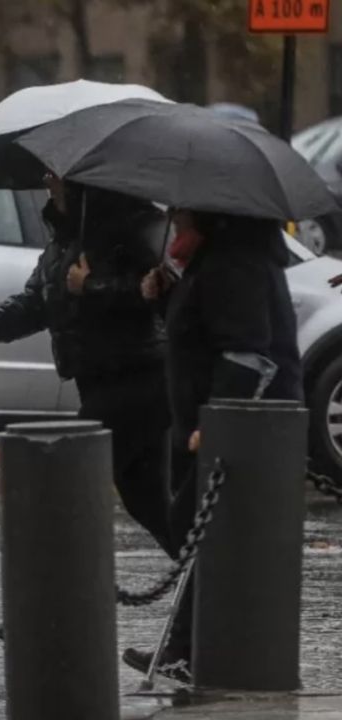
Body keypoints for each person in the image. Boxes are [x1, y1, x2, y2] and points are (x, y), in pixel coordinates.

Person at [123, 210, 303, 683]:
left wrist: (220, 418)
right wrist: (165, 297)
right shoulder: (212, 260)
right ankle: (190, 650)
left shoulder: (233, 263)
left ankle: (190, 651)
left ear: (210, 213)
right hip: (206, 423)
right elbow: (200, 332)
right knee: (196, 527)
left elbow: (247, 352)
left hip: (233, 426)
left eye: (181, 210)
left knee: (199, 526)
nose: (172, 215)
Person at [0, 177, 174, 554]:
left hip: (136, 379)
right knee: (146, 498)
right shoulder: (61, 243)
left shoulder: (125, 228)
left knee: (67, 479)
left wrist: (91, 285)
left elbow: (154, 292)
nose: (47, 181)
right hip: (95, 381)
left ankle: (58, 585)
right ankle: (202, 571)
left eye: (56, 176)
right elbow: (32, 307)